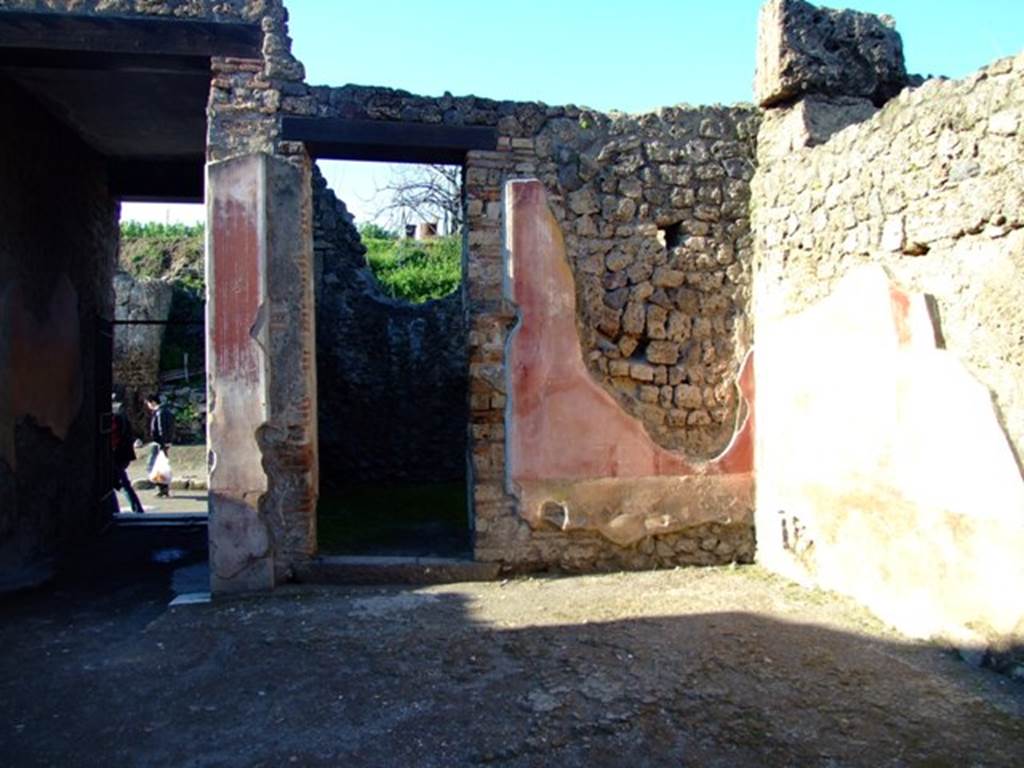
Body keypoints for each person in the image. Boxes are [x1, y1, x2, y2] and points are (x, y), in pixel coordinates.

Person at [111, 399, 145, 515]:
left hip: (115, 456)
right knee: (120, 484)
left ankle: (135, 509)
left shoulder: (115, 419)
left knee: (121, 484)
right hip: (123, 455)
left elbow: (114, 439)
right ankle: (135, 509)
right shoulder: (123, 417)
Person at [145, 394, 176, 498]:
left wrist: (162, 443)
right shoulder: (166, 411)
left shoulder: (159, 413)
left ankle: (162, 488)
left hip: (159, 443)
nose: (148, 406)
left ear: (153, 402)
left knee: (153, 465)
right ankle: (163, 489)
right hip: (164, 443)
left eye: (148, 403)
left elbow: (161, 429)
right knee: (161, 465)